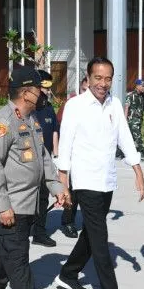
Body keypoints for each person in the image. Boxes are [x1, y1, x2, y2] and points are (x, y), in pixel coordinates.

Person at [54, 57, 144, 289]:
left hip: (106, 181)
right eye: (98, 78)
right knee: (100, 239)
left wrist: (137, 169)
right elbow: (66, 145)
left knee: (90, 235)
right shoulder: (75, 106)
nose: (103, 84)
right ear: (88, 77)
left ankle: (68, 274)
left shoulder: (114, 104)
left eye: (108, 79)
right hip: (85, 182)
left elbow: (124, 136)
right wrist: (63, 183)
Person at [0, 65, 68, 289]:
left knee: (7, 253)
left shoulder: (31, 119)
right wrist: (3, 205)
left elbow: (43, 159)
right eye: (40, 89)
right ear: (26, 92)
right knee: (18, 256)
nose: (45, 93)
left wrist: (57, 188)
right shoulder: (3, 121)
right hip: (9, 206)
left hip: (28, 204)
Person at [32, 70, 60, 247]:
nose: (48, 91)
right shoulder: (29, 109)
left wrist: (55, 155)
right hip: (29, 162)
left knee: (43, 198)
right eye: (45, 87)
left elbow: (55, 131)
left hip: (46, 160)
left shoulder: (48, 107)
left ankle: (39, 233)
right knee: (27, 198)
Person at [58, 77, 89, 238]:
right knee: (72, 193)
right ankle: (68, 221)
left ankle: (88, 223)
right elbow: (62, 129)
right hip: (73, 157)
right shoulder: (72, 105)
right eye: (84, 90)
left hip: (89, 159)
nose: (87, 93)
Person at [125, 78, 144, 161]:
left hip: (139, 120)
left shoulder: (142, 96)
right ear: (137, 86)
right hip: (132, 120)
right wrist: (124, 120)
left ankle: (120, 152)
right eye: (142, 86)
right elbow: (126, 108)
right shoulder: (131, 95)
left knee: (130, 138)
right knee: (138, 137)